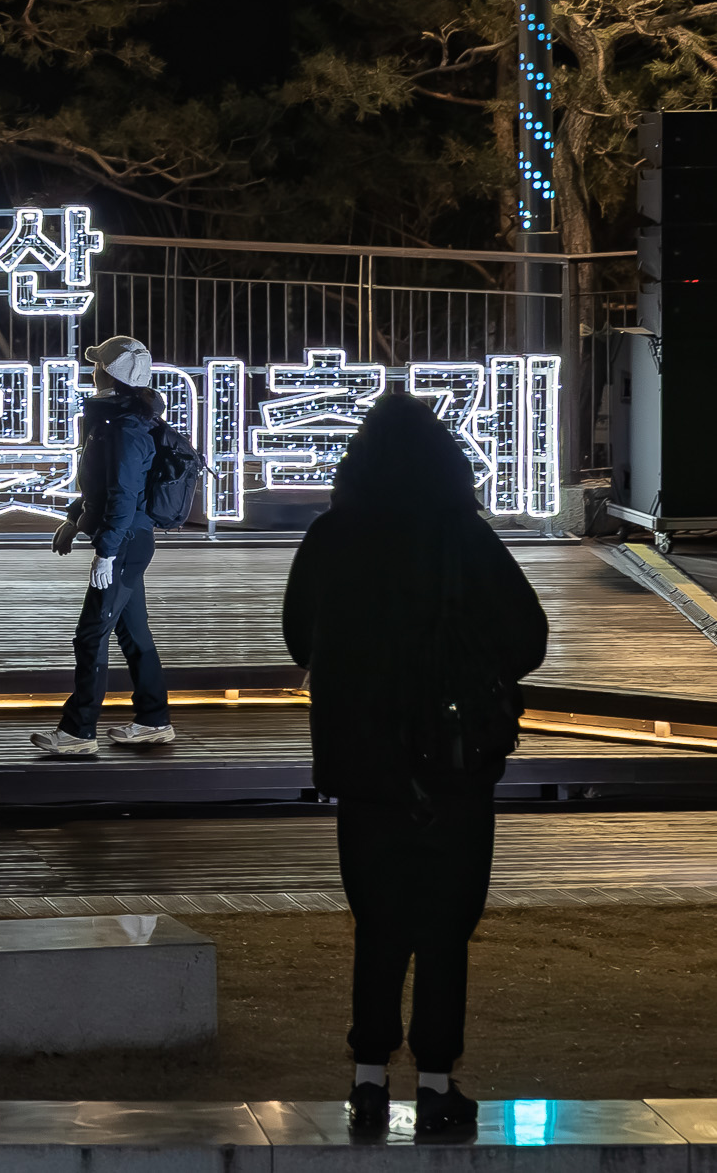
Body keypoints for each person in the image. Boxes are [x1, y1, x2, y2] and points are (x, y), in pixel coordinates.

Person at [282, 391, 547, 1137]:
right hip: (454, 762)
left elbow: (298, 636)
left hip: (364, 765)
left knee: (378, 920)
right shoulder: (462, 534)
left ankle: (368, 1081)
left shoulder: (334, 534)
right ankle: (435, 1084)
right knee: (445, 924)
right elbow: (528, 636)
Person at [34, 334, 174, 756]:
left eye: (97, 365)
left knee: (90, 635)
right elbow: (101, 486)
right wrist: (74, 520)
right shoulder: (117, 420)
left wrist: (107, 552)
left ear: (111, 374)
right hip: (128, 539)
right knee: (133, 633)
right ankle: (154, 721)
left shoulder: (125, 428)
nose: (92, 370)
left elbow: (123, 496)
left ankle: (79, 732)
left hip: (125, 543)